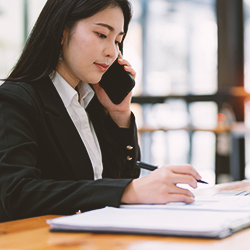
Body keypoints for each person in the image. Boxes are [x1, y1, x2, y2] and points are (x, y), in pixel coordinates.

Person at [0, 0, 201, 223]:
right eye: (101, 35)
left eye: (117, 41)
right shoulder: (15, 100)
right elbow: (16, 194)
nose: (112, 52)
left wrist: (120, 115)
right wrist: (128, 191)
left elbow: (120, 178)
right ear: (61, 32)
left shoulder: (92, 102)